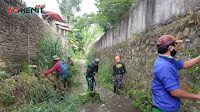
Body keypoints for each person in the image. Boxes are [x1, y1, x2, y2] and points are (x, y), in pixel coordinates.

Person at [151, 35, 200, 112]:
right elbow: (175, 92)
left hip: (163, 106)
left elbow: (184, 65)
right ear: (170, 48)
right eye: (176, 45)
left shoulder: (166, 60)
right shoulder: (165, 66)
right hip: (164, 109)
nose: (177, 48)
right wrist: (196, 96)